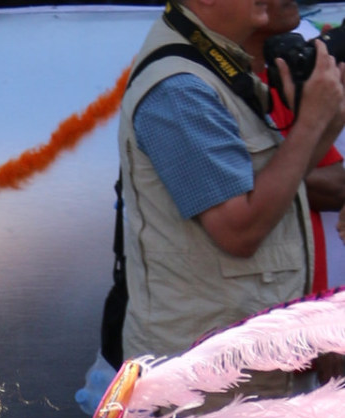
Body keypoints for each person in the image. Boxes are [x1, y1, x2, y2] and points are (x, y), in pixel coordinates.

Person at [119, 0, 345, 361]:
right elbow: (239, 231)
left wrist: (330, 113)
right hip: (201, 381)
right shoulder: (181, 89)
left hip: (234, 363)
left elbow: (281, 180)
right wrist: (311, 122)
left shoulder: (215, 66)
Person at [246, 0, 345, 292]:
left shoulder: (287, 71)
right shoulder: (195, 85)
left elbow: (335, 184)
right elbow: (237, 194)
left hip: (301, 304)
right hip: (254, 314)